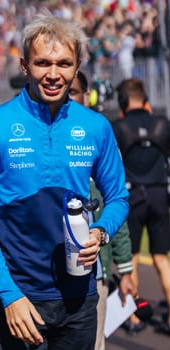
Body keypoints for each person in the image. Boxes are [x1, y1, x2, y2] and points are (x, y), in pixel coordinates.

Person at [0, 11, 129, 350]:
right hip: (22, 299)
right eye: (42, 63)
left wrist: (101, 231)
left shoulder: (96, 127)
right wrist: (8, 295)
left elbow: (118, 199)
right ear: (24, 66)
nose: (54, 74)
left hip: (80, 301)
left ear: (78, 65)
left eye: (64, 64)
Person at [69, 71, 136, 349]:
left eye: (73, 91)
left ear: (88, 96)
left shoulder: (100, 137)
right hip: (46, 279)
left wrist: (126, 268)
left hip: (95, 275)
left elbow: (116, 205)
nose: (66, 96)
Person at [112, 78, 170, 335]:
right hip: (160, 195)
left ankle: (134, 316)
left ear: (123, 102)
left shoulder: (118, 127)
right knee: (161, 258)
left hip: (133, 195)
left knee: (132, 258)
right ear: (145, 99)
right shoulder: (162, 123)